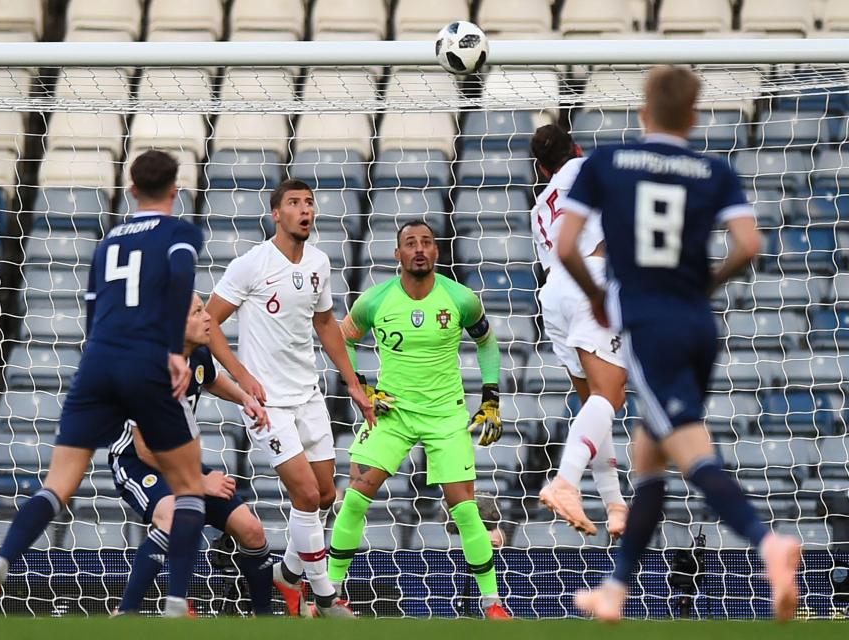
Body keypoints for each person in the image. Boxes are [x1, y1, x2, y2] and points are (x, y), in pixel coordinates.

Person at [558, 65, 801, 622]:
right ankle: (616, 590)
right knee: (651, 459)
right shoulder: (712, 170)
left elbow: (568, 245)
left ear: (643, 110)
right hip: (697, 326)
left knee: (689, 450)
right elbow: (748, 244)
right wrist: (707, 283)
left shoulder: (607, 163)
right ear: (694, 116)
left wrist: (598, 300)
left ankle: (768, 543)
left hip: (647, 325)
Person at [0, 150, 207, 618]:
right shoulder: (180, 233)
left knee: (57, 485)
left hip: (97, 361)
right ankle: (177, 603)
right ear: (175, 190)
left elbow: (93, 309)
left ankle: (0, 562)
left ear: (132, 189)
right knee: (191, 488)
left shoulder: (109, 240)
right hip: (146, 360)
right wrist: (174, 352)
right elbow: (180, 273)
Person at [205, 178, 375, 618]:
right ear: (276, 213)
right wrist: (241, 377)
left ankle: (287, 574)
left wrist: (353, 383)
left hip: (308, 395)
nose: (305, 210)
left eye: (309, 203)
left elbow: (325, 325)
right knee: (302, 493)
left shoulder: (319, 262)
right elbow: (208, 323)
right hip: (268, 405)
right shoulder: (251, 264)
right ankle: (326, 597)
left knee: (323, 497)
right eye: (295, 203)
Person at [327, 219, 512, 620]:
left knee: (464, 509)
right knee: (356, 497)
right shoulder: (374, 301)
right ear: (398, 254)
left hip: (445, 416)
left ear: (436, 252)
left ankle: (492, 603)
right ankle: (330, 596)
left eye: (426, 242)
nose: (419, 249)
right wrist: (361, 386)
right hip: (391, 413)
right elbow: (342, 338)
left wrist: (491, 398)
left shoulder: (461, 299)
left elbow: (487, 343)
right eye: (410, 243)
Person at [111, 294, 273, 616]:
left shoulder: (198, 353)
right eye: (199, 312)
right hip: (136, 460)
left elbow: (210, 380)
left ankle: (264, 622)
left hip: (179, 459)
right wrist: (199, 482)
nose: (209, 317)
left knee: (252, 531)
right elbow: (145, 449)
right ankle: (124, 614)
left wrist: (245, 399)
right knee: (173, 516)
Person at [530, 124, 628, 539]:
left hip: (553, 291)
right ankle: (565, 481)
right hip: (591, 277)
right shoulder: (591, 167)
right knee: (612, 396)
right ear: (579, 148)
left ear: (541, 168)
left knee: (593, 403)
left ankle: (614, 502)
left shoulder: (539, 206)